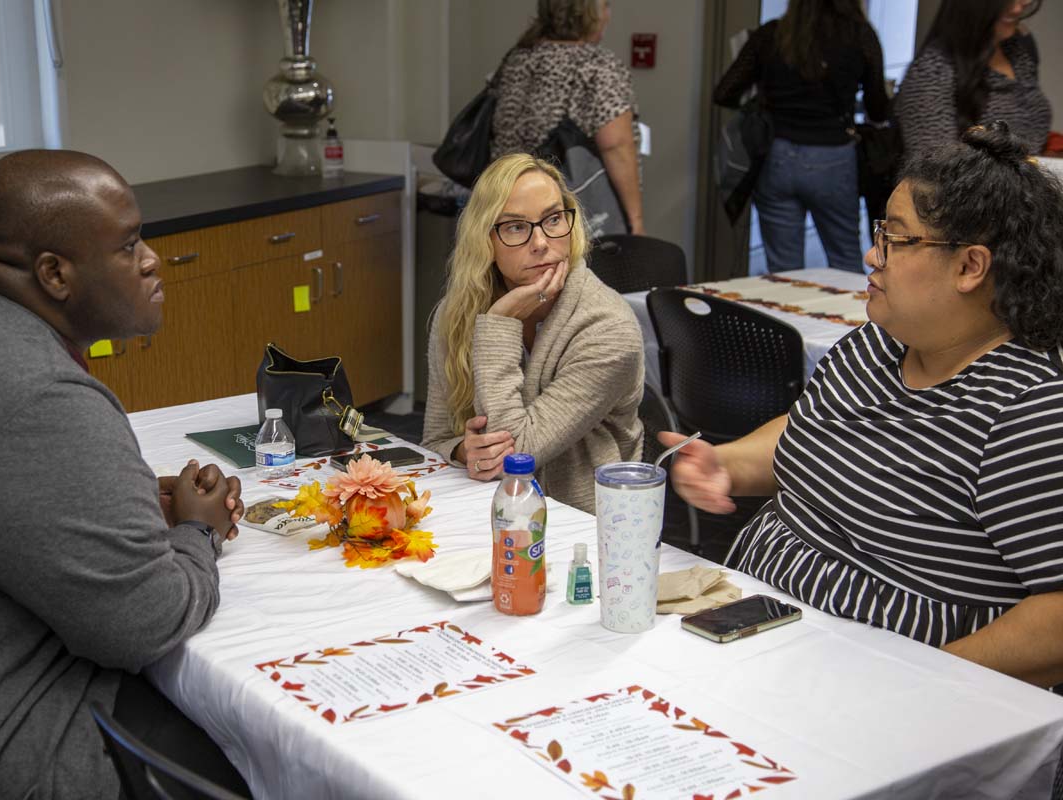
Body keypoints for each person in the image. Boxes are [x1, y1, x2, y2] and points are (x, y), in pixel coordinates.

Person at [0, 150, 251, 798]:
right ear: (54, 274)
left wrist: (116, 508)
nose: (152, 260)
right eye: (129, 247)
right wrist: (197, 531)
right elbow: (145, 623)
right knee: (251, 757)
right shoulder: (39, 393)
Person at [661, 123, 1063, 688]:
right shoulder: (879, 343)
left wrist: (929, 680)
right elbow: (816, 435)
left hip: (887, 686)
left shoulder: (1026, 411)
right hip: (762, 628)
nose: (872, 255)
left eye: (896, 240)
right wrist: (725, 464)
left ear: (971, 267)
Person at [422, 153, 644, 515]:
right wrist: (466, 450)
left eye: (553, 219)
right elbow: (434, 440)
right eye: (515, 227)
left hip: (582, 526)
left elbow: (518, 456)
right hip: (484, 510)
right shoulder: (456, 313)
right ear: (485, 240)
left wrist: (499, 324)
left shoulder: (609, 328)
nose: (541, 242)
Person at [714, 0, 888, 273]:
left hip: (777, 155)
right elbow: (878, 107)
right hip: (833, 156)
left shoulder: (773, 34)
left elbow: (724, 92)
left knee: (784, 271)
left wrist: (766, 101)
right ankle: (849, 317)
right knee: (844, 261)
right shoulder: (859, 36)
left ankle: (784, 316)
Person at [490, 0, 644, 236]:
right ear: (588, 13)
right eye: (605, 5)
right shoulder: (597, 66)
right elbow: (616, 145)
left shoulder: (517, 58)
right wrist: (636, 222)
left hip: (508, 206)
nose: (608, 15)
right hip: (567, 217)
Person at [895, 0, 1052, 161]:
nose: (1022, 5)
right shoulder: (931, 71)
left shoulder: (1016, 50)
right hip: (975, 185)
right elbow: (934, 170)